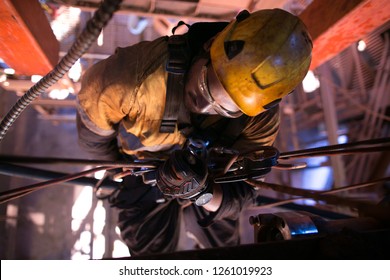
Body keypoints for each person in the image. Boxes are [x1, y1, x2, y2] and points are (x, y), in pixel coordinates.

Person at [76, 8, 312, 256]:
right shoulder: (127, 78)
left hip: (210, 179)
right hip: (141, 170)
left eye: (225, 108)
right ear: (210, 45)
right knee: (149, 255)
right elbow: (94, 139)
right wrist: (116, 167)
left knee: (225, 252)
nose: (203, 105)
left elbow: (242, 194)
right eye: (205, 85)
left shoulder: (258, 118)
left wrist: (203, 193)